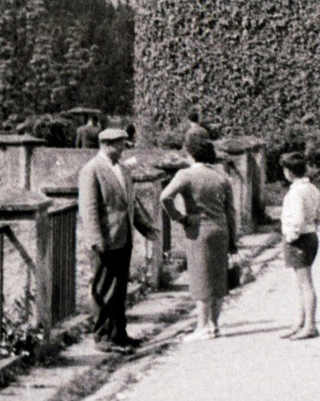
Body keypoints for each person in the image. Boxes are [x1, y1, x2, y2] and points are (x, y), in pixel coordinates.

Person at [78, 126, 157, 351]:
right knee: (104, 289)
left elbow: (131, 203)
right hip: (105, 240)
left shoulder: (122, 169)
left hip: (123, 238)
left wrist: (145, 228)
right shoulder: (91, 170)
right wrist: (96, 239)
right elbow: (89, 208)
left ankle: (119, 334)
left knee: (119, 288)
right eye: (121, 144)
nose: (124, 148)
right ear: (108, 145)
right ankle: (103, 336)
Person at [161, 126, 238, 340]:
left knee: (200, 276)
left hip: (198, 229)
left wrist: (179, 217)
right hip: (221, 228)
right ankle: (214, 324)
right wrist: (233, 238)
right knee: (218, 277)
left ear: (190, 152)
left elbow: (165, 197)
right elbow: (230, 211)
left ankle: (202, 326)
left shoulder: (185, 175)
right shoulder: (221, 176)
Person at [280, 150, 320, 339]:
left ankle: (310, 326)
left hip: (299, 239)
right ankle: (301, 322)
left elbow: (297, 219)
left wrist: (291, 237)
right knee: (302, 284)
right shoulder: (312, 189)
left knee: (305, 284)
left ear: (288, 171)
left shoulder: (296, 192)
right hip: (311, 235)